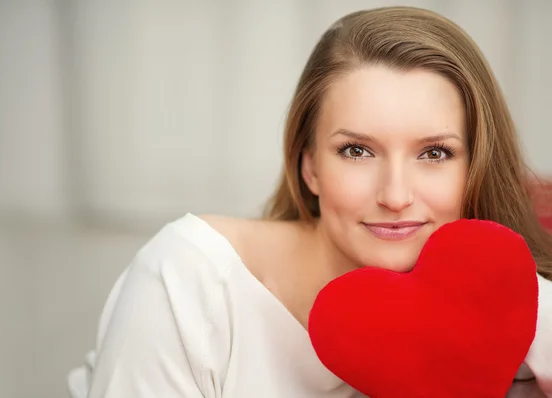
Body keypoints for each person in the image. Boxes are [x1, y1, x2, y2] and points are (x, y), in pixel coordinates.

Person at [68, 6, 552, 398]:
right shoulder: (190, 282)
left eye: (434, 153)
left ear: (476, 167)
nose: (395, 195)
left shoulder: (515, 319)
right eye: (357, 151)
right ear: (310, 167)